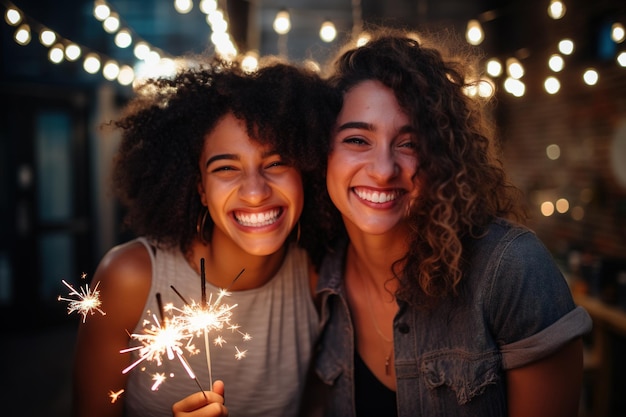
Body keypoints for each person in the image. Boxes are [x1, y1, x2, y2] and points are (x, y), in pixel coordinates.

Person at [313, 27, 593, 417]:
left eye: (409, 143)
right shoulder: (316, 274)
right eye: (357, 140)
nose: (382, 170)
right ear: (322, 153)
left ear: (442, 158)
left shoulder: (511, 268)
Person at [72, 56, 339, 417]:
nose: (256, 192)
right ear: (199, 187)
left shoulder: (317, 275)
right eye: (226, 168)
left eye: (276, 163)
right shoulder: (130, 279)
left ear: (306, 169)